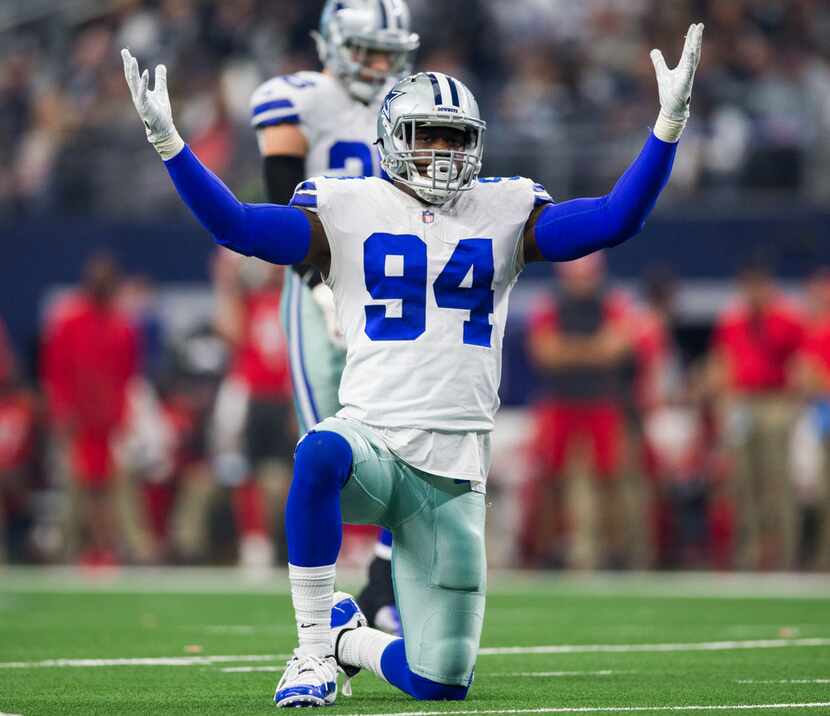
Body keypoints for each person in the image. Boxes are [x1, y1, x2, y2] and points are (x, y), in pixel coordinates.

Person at [122, 20, 702, 705]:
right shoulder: (346, 203)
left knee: (440, 682)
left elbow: (614, 220)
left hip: (455, 472)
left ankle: (347, 639)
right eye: (425, 134)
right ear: (391, 139)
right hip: (375, 439)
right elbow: (240, 228)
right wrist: (171, 144)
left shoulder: (506, 206)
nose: (439, 150)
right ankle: (311, 651)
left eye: (453, 136)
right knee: (318, 455)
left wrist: (667, 126)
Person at [250, 0, 419, 629]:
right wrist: (318, 286)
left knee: (413, 434)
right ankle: (319, 619)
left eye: (389, 52)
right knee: (326, 443)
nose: (379, 64)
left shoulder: (410, 104)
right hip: (318, 281)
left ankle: (383, 585)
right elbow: (284, 209)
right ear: (331, 43)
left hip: (392, 287)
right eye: (367, 49)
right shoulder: (297, 98)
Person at [526, 253, 633, 569]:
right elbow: (545, 352)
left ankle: (614, 550)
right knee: (550, 477)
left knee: (610, 476)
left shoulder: (611, 303)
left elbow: (618, 346)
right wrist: (593, 350)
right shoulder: (553, 306)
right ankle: (549, 549)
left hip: (601, 401)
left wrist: (569, 351)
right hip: (561, 402)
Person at [42, 254, 140, 565]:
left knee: (116, 488)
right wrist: (61, 413)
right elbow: (56, 372)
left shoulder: (123, 328)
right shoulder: (68, 322)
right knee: (75, 488)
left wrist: (123, 418)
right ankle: (67, 550)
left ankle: (124, 549)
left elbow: (126, 378)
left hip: (108, 423)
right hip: (78, 422)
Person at [708, 256, 805, 570]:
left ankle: (786, 555)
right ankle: (748, 554)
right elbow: (724, 362)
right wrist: (724, 400)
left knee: (777, 482)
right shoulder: (732, 322)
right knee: (743, 483)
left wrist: (795, 404)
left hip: (775, 401)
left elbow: (800, 364)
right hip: (742, 402)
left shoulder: (786, 319)